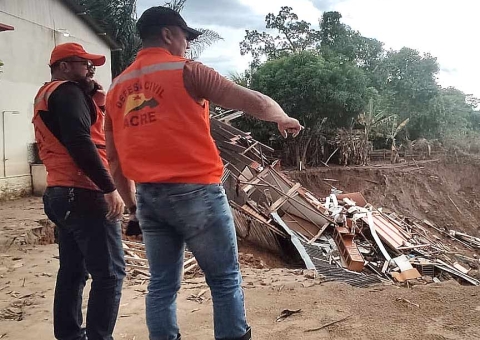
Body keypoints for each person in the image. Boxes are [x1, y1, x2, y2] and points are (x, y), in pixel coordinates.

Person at [104, 6, 302, 340]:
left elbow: (113, 159)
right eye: (185, 37)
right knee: (224, 280)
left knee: (162, 285)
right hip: (198, 194)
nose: (188, 45)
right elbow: (249, 100)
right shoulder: (187, 71)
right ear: (168, 34)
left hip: (150, 199)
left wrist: (134, 205)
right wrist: (280, 116)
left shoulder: (116, 88)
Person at [32, 43, 126, 340]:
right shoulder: (68, 91)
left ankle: (70, 335)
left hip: (60, 192)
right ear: (63, 66)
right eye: (83, 63)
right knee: (109, 274)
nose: (89, 69)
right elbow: (79, 141)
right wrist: (109, 187)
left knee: (73, 271)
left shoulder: (51, 95)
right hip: (83, 192)